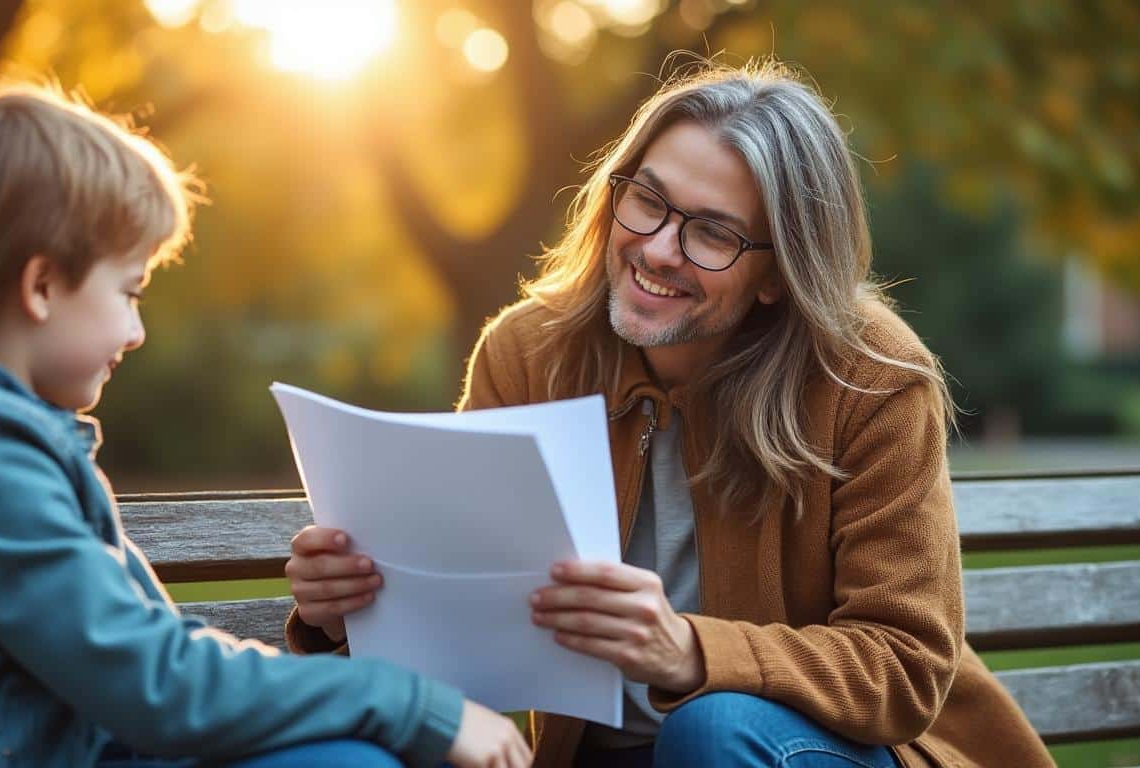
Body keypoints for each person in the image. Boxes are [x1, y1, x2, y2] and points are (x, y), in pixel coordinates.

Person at [283, 60, 1055, 768]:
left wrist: (690, 650)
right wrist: (347, 614)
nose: (656, 249)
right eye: (647, 200)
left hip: (821, 751)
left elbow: (905, 664)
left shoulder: (870, 379)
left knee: (710, 729)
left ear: (778, 275)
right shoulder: (528, 353)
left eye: (712, 232)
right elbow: (461, 628)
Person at [0, 81, 530, 768]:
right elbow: (157, 684)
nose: (135, 331)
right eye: (129, 291)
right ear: (41, 286)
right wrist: (407, 702)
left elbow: (149, 664)